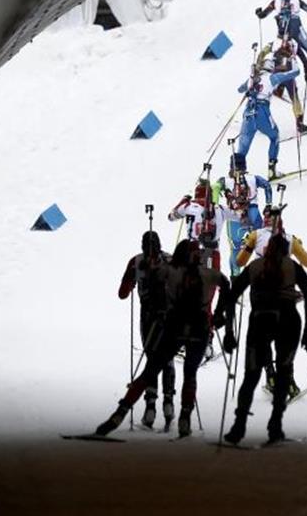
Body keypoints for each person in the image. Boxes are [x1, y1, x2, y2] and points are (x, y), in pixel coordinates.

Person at [95, 240, 232, 438]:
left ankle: (119, 414)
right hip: (199, 328)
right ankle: (184, 418)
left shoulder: (170, 271)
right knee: (190, 373)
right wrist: (220, 315)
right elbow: (226, 285)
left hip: (174, 326)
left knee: (150, 370)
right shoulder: (207, 273)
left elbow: (148, 283)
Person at [220, 235, 307, 445]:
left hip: (260, 321)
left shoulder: (255, 266)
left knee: (251, 375)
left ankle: (238, 426)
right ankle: (275, 426)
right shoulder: (292, 266)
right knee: (284, 372)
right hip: (289, 320)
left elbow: (232, 296)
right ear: (286, 250)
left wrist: (229, 331)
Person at [235, 205, 307, 398]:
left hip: (259, 296)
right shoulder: (289, 239)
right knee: (285, 338)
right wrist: (296, 248)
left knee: (264, 337)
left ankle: (270, 376)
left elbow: (240, 261)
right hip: (285, 295)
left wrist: (248, 247)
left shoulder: (255, 235)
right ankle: (288, 382)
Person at [117, 230, 174, 429]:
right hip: (169, 316)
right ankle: (169, 403)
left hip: (148, 317)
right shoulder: (170, 259)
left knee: (152, 359)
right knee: (167, 359)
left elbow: (123, 293)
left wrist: (135, 280)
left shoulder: (136, 261)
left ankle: (150, 407)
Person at [234, 55, 300, 180]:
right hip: (262, 111)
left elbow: (240, 90)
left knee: (242, 148)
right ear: (271, 68)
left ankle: (237, 175)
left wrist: (251, 80)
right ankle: (271, 170)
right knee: (274, 136)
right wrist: (293, 60)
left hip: (248, 113)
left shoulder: (253, 78)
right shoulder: (272, 77)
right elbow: (295, 72)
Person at [169, 179, 228, 273]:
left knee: (191, 279)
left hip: (192, 248)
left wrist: (183, 200)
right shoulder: (220, 208)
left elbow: (171, 217)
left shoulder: (188, 206)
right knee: (213, 281)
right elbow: (240, 215)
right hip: (213, 249)